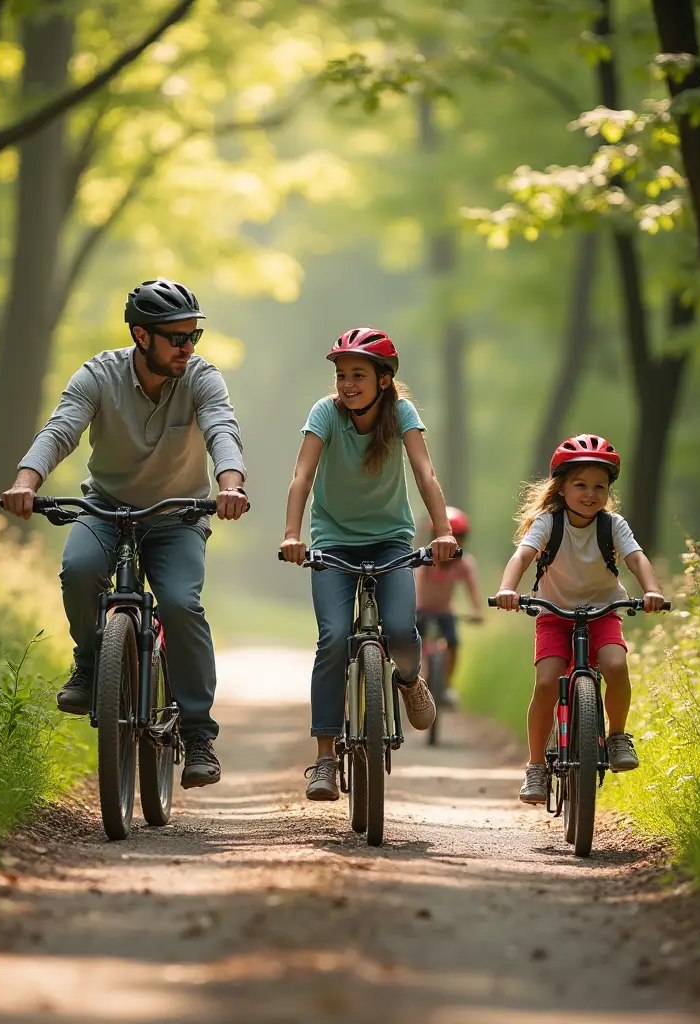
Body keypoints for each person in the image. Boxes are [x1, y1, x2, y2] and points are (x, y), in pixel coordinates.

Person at [1, 278, 248, 790]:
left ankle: (199, 734)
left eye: (192, 337)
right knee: (79, 570)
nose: (187, 347)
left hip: (178, 514)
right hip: (106, 505)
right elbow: (61, 430)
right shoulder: (98, 375)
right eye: (176, 337)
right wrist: (26, 483)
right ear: (141, 336)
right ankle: (91, 664)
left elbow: (223, 428)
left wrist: (230, 485)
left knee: (181, 603)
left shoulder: (202, 377)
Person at [279, 327, 459, 802]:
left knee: (401, 629)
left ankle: (406, 680)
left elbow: (425, 472)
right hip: (333, 542)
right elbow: (302, 475)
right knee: (333, 638)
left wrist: (441, 532)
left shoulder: (400, 412)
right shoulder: (325, 413)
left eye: (358, 374)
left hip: (390, 542)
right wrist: (292, 535)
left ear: (383, 379)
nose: (347, 384)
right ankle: (323, 758)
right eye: (341, 375)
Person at [491, 434, 665, 804]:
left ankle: (617, 735)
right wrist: (508, 588)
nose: (590, 494)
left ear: (608, 492)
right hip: (554, 614)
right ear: (562, 487)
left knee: (616, 665)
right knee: (546, 683)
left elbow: (636, 558)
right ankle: (536, 766)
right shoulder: (548, 523)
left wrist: (651, 590)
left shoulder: (612, 525)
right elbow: (523, 556)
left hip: (602, 612)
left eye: (599, 487)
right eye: (580, 485)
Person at [415, 507, 484, 706]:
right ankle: (413, 680)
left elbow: (472, 590)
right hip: (422, 609)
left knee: (453, 644)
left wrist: (476, 611)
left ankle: (445, 685)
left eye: (459, 537)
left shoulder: (464, 564)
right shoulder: (427, 559)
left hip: (445, 611)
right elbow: (416, 582)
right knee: (413, 644)